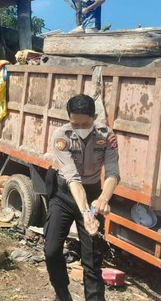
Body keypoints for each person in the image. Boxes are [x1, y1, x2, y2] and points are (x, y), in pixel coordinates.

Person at [43, 94, 120, 301]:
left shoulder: (106, 136)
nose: (79, 128)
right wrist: (85, 212)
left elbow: (113, 173)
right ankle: (62, 294)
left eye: (85, 124)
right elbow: (73, 178)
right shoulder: (61, 136)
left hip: (94, 195)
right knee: (51, 250)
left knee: (92, 259)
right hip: (64, 195)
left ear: (94, 117)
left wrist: (103, 198)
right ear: (69, 118)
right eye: (75, 123)